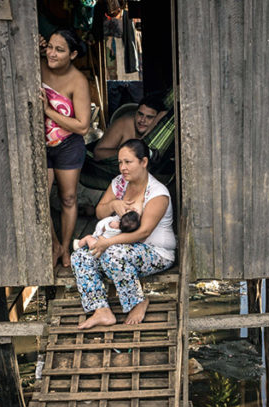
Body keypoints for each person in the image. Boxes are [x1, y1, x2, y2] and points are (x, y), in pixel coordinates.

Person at [71, 138, 175, 329]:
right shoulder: (119, 183)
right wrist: (113, 204)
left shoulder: (157, 192)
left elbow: (143, 232)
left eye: (128, 162)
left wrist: (107, 243)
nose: (122, 167)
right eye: (120, 162)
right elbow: (99, 211)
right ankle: (101, 310)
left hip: (156, 252)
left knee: (112, 253)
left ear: (143, 162)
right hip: (124, 248)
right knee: (80, 257)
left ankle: (138, 301)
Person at [40, 29, 91, 268]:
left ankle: (66, 247)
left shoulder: (78, 81)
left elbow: (82, 126)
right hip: (39, 146)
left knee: (68, 199)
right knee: (39, 198)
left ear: (73, 54)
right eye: (50, 46)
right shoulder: (37, 67)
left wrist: (49, 112)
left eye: (59, 50)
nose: (52, 53)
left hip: (68, 144)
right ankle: (53, 245)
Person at [93, 94, 166, 160]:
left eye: (149, 117)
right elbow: (98, 153)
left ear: (157, 120)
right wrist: (132, 153)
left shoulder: (160, 131)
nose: (142, 120)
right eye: (140, 114)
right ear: (135, 113)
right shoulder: (124, 123)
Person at [74, 211, 140, 251]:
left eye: (130, 224)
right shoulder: (114, 222)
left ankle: (79, 245)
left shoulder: (115, 224)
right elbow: (100, 226)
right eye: (126, 221)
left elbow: (100, 226)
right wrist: (100, 233)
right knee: (90, 238)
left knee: (88, 238)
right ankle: (79, 246)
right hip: (100, 242)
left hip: (100, 247)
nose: (126, 224)